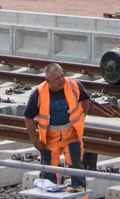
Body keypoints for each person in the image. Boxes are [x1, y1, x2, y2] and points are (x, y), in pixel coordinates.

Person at [24, 63, 90, 192]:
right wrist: (35, 141)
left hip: (72, 136)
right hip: (50, 139)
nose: (61, 80)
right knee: (48, 172)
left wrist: (80, 120)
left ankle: (80, 196)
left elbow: (85, 102)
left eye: (62, 76)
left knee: (76, 168)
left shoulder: (74, 85)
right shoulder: (38, 93)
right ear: (48, 81)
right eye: (57, 79)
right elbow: (28, 118)